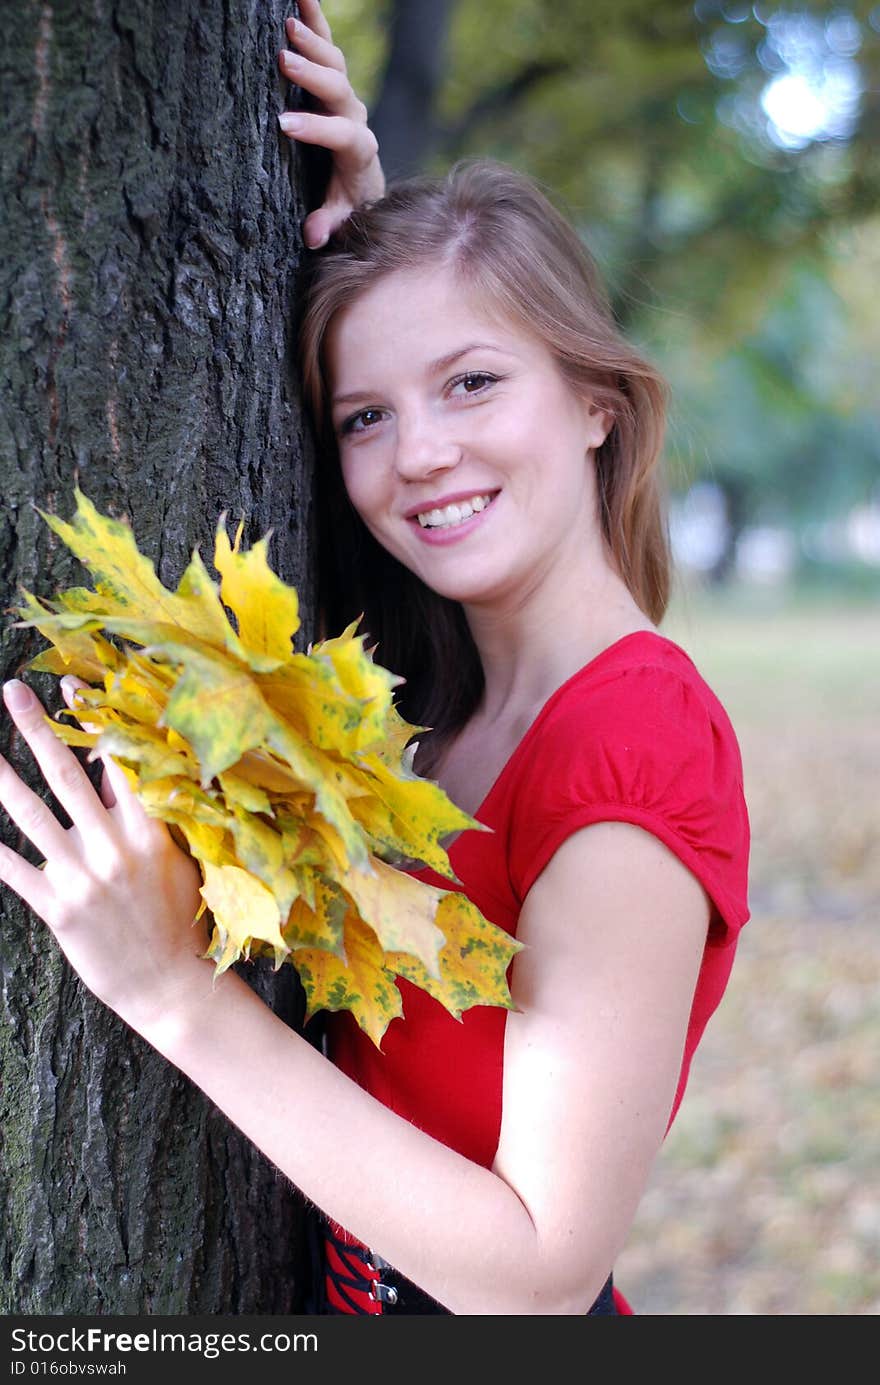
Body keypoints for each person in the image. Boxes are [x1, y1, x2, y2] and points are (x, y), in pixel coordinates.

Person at [0, 2, 749, 1316]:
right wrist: (372, 233)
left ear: (595, 404)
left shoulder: (630, 746)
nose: (418, 454)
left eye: (472, 384)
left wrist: (173, 993)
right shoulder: (439, 688)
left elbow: (538, 1272)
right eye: (366, 414)